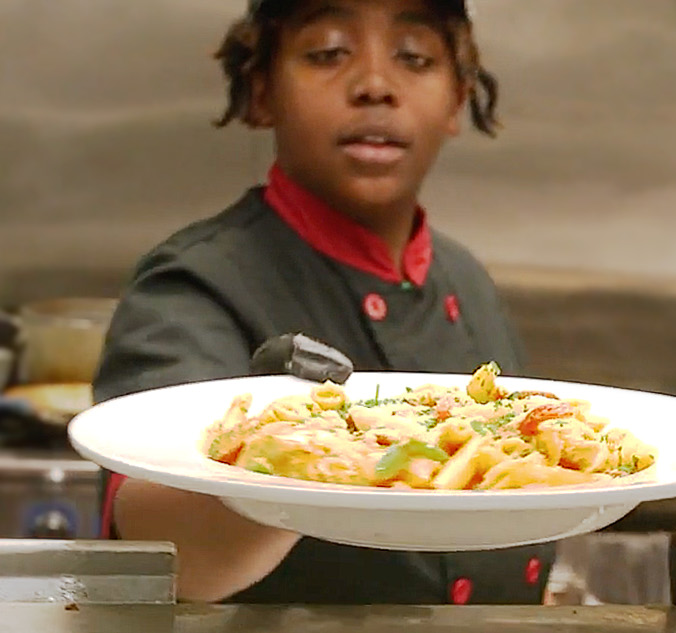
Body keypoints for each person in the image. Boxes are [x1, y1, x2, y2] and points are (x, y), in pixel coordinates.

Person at [91, 0, 551, 605]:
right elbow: (165, 550)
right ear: (262, 92)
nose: (375, 86)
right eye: (328, 52)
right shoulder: (195, 285)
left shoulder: (464, 276)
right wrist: (281, 444)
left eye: (414, 57)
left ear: (456, 101)